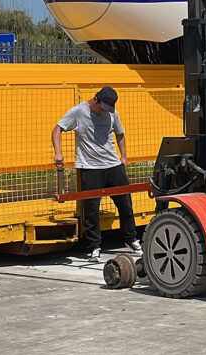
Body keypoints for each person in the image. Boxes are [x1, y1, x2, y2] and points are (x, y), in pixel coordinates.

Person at [52, 86, 141, 262]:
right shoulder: (79, 112)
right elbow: (57, 129)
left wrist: (123, 156)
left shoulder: (112, 114)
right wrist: (58, 152)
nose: (105, 111)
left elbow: (120, 134)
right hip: (90, 167)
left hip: (113, 165)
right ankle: (94, 247)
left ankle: (131, 239)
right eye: (103, 107)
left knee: (125, 204)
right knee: (91, 209)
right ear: (96, 100)